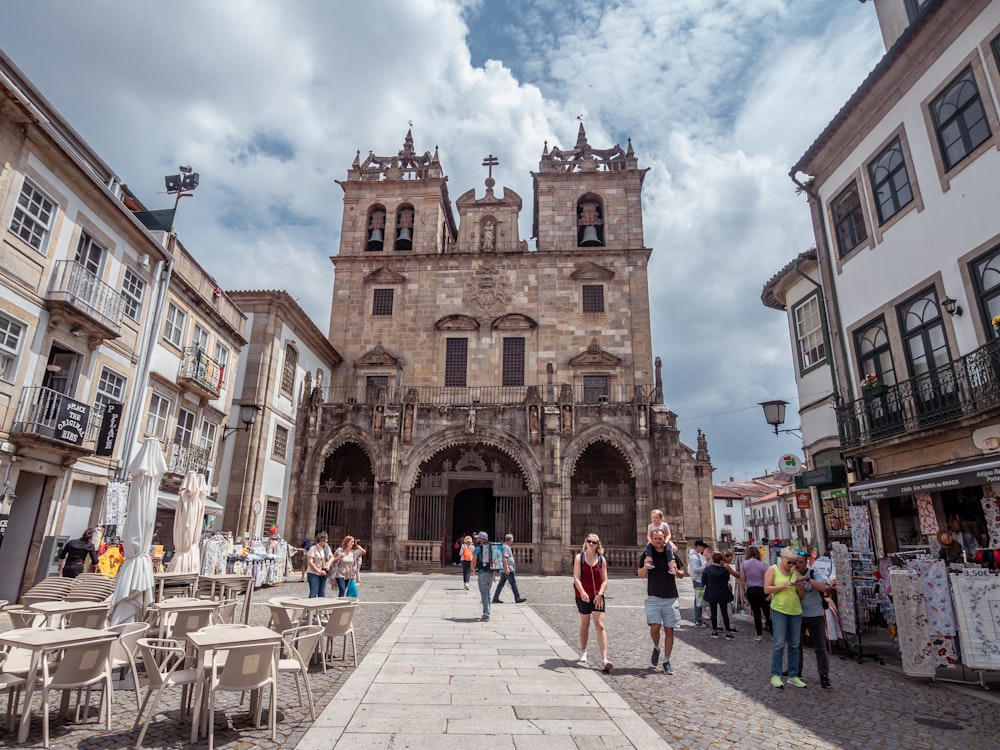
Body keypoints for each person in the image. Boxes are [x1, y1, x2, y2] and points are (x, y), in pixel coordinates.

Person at [639, 528, 685, 675]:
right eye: (655, 538)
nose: (658, 541)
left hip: (671, 597)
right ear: (651, 539)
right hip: (653, 597)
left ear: (665, 538)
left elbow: (682, 574)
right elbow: (640, 574)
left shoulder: (671, 554)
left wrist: (676, 571)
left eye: (660, 538)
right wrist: (645, 566)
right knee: (655, 627)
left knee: (669, 629)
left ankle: (666, 661)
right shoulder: (647, 554)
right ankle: (657, 647)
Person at [764, 547, 806, 688]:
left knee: (795, 645)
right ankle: (775, 674)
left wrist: (800, 588)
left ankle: (793, 675)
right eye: (789, 562)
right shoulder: (772, 569)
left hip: (795, 610)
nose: (792, 566)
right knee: (779, 644)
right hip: (779, 610)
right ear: (782, 558)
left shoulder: (795, 572)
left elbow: (801, 596)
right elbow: (767, 589)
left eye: (794, 563)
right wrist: (783, 585)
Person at [792, 553, 832, 688]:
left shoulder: (814, 573)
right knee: (797, 646)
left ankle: (824, 675)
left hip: (815, 615)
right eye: (796, 562)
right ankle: (796, 672)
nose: (798, 565)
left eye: (801, 562)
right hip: (798, 615)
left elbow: (824, 588)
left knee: (820, 646)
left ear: (806, 563)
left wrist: (807, 579)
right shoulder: (790, 574)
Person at [574, 533, 612, 672]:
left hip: (597, 597)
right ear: (586, 542)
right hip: (582, 596)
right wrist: (582, 591)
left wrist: (600, 594)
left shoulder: (602, 560)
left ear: (598, 545)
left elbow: (605, 580)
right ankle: (583, 651)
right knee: (585, 623)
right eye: (589, 541)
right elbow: (576, 577)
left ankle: (605, 659)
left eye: (594, 542)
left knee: (600, 625)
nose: (591, 544)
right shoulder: (580, 557)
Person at [740, 546, 771, 640]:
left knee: (756, 613)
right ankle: (773, 634)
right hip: (762, 590)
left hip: (751, 590)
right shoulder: (763, 565)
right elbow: (768, 580)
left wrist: (743, 590)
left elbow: (742, 579)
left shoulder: (744, 564)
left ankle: (759, 634)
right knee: (767, 613)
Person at [702, 552, 736, 639]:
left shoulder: (707, 569)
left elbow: (703, 581)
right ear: (721, 560)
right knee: (724, 613)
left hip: (712, 593)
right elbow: (727, 579)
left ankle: (714, 631)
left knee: (713, 613)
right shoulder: (724, 570)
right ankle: (728, 632)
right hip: (723, 593)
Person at [492, 533, 526, 604]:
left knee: (501, 584)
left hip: (505, 569)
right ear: (509, 540)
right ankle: (517, 598)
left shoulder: (505, 546)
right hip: (508, 569)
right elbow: (504, 558)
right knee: (513, 584)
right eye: (512, 539)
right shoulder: (506, 547)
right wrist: (507, 568)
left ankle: (495, 597)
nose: (513, 540)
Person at [474, 531, 494, 621]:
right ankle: (488, 612)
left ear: (482, 539)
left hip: (482, 572)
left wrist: (472, 569)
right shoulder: (492, 547)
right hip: (491, 572)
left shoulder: (478, 548)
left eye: (478, 537)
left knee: (484, 593)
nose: (477, 539)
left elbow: (473, 561)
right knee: (488, 593)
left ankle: (486, 614)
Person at [306, 532, 332, 598]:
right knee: (314, 592)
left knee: (322, 592)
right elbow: (310, 562)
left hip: (324, 573)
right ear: (321, 540)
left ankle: (320, 607)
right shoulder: (313, 548)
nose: (327, 541)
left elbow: (332, 557)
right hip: (313, 573)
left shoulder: (327, 548)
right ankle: (310, 607)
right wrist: (318, 571)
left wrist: (328, 563)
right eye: (325, 539)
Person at [688, 540, 707, 626]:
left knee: (698, 600)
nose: (703, 548)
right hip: (698, 580)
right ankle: (698, 620)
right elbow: (695, 569)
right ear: (698, 546)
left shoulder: (696, 556)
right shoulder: (694, 557)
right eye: (702, 546)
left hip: (699, 580)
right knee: (698, 601)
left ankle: (698, 619)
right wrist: (705, 567)